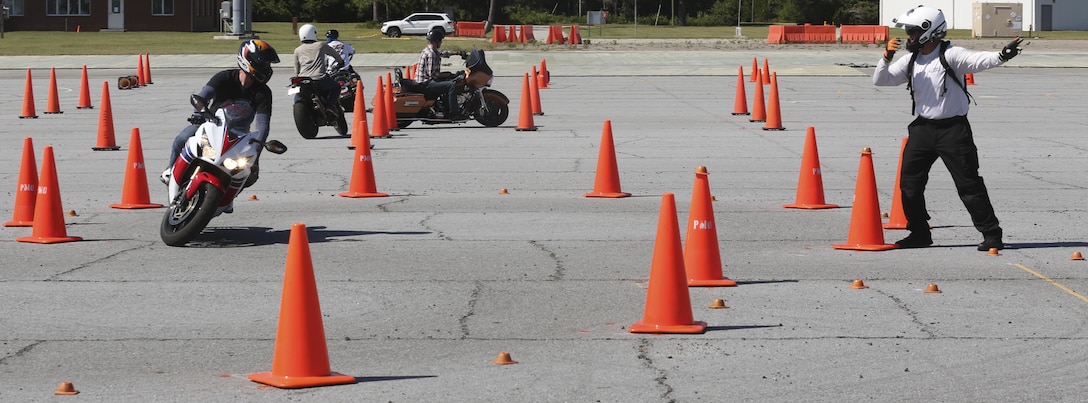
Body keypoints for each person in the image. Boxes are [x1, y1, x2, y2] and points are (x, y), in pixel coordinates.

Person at [873, 5, 1022, 251]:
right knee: (909, 184)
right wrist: (886, 58)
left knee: (968, 184)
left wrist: (1002, 56)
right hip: (922, 129)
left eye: (911, 32)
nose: (908, 37)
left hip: (953, 130)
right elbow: (882, 79)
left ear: (928, 31)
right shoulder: (911, 59)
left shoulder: (951, 54)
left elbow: (977, 61)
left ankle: (992, 234)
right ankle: (919, 233)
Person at [162, 39, 280, 196]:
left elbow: (262, 126)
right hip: (210, 125)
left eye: (268, 65)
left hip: (238, 137)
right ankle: (172, 172)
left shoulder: (264, 93)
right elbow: (202, 97)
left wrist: (256, 153)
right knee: (181, 139)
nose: (267, 68)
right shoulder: (224, 78)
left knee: (251, 175)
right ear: (247, 61)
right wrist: (200, 112)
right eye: (263, 64)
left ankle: (225, 197)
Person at [293, 23, 344, 119]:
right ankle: (329, 106)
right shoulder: (321, 45)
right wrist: (341, 62)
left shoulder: (297, 50)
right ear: (314, 33)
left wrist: (297, 77)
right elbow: (335, 54)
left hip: (303, 79)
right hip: (319, 79)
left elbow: (296, 68)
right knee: (336, 87)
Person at [415, 29, 464, 120]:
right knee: (451, 85)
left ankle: (444, 106)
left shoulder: (430, 50)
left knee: (448, 81)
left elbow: (442, 53)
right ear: (436, 41)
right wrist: (448, 74)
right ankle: (454, 113)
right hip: (426, 83)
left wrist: (458, 53)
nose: (441, 42)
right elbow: (433, 74)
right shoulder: (431, 54)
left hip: (425, 81)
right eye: (440, 40)